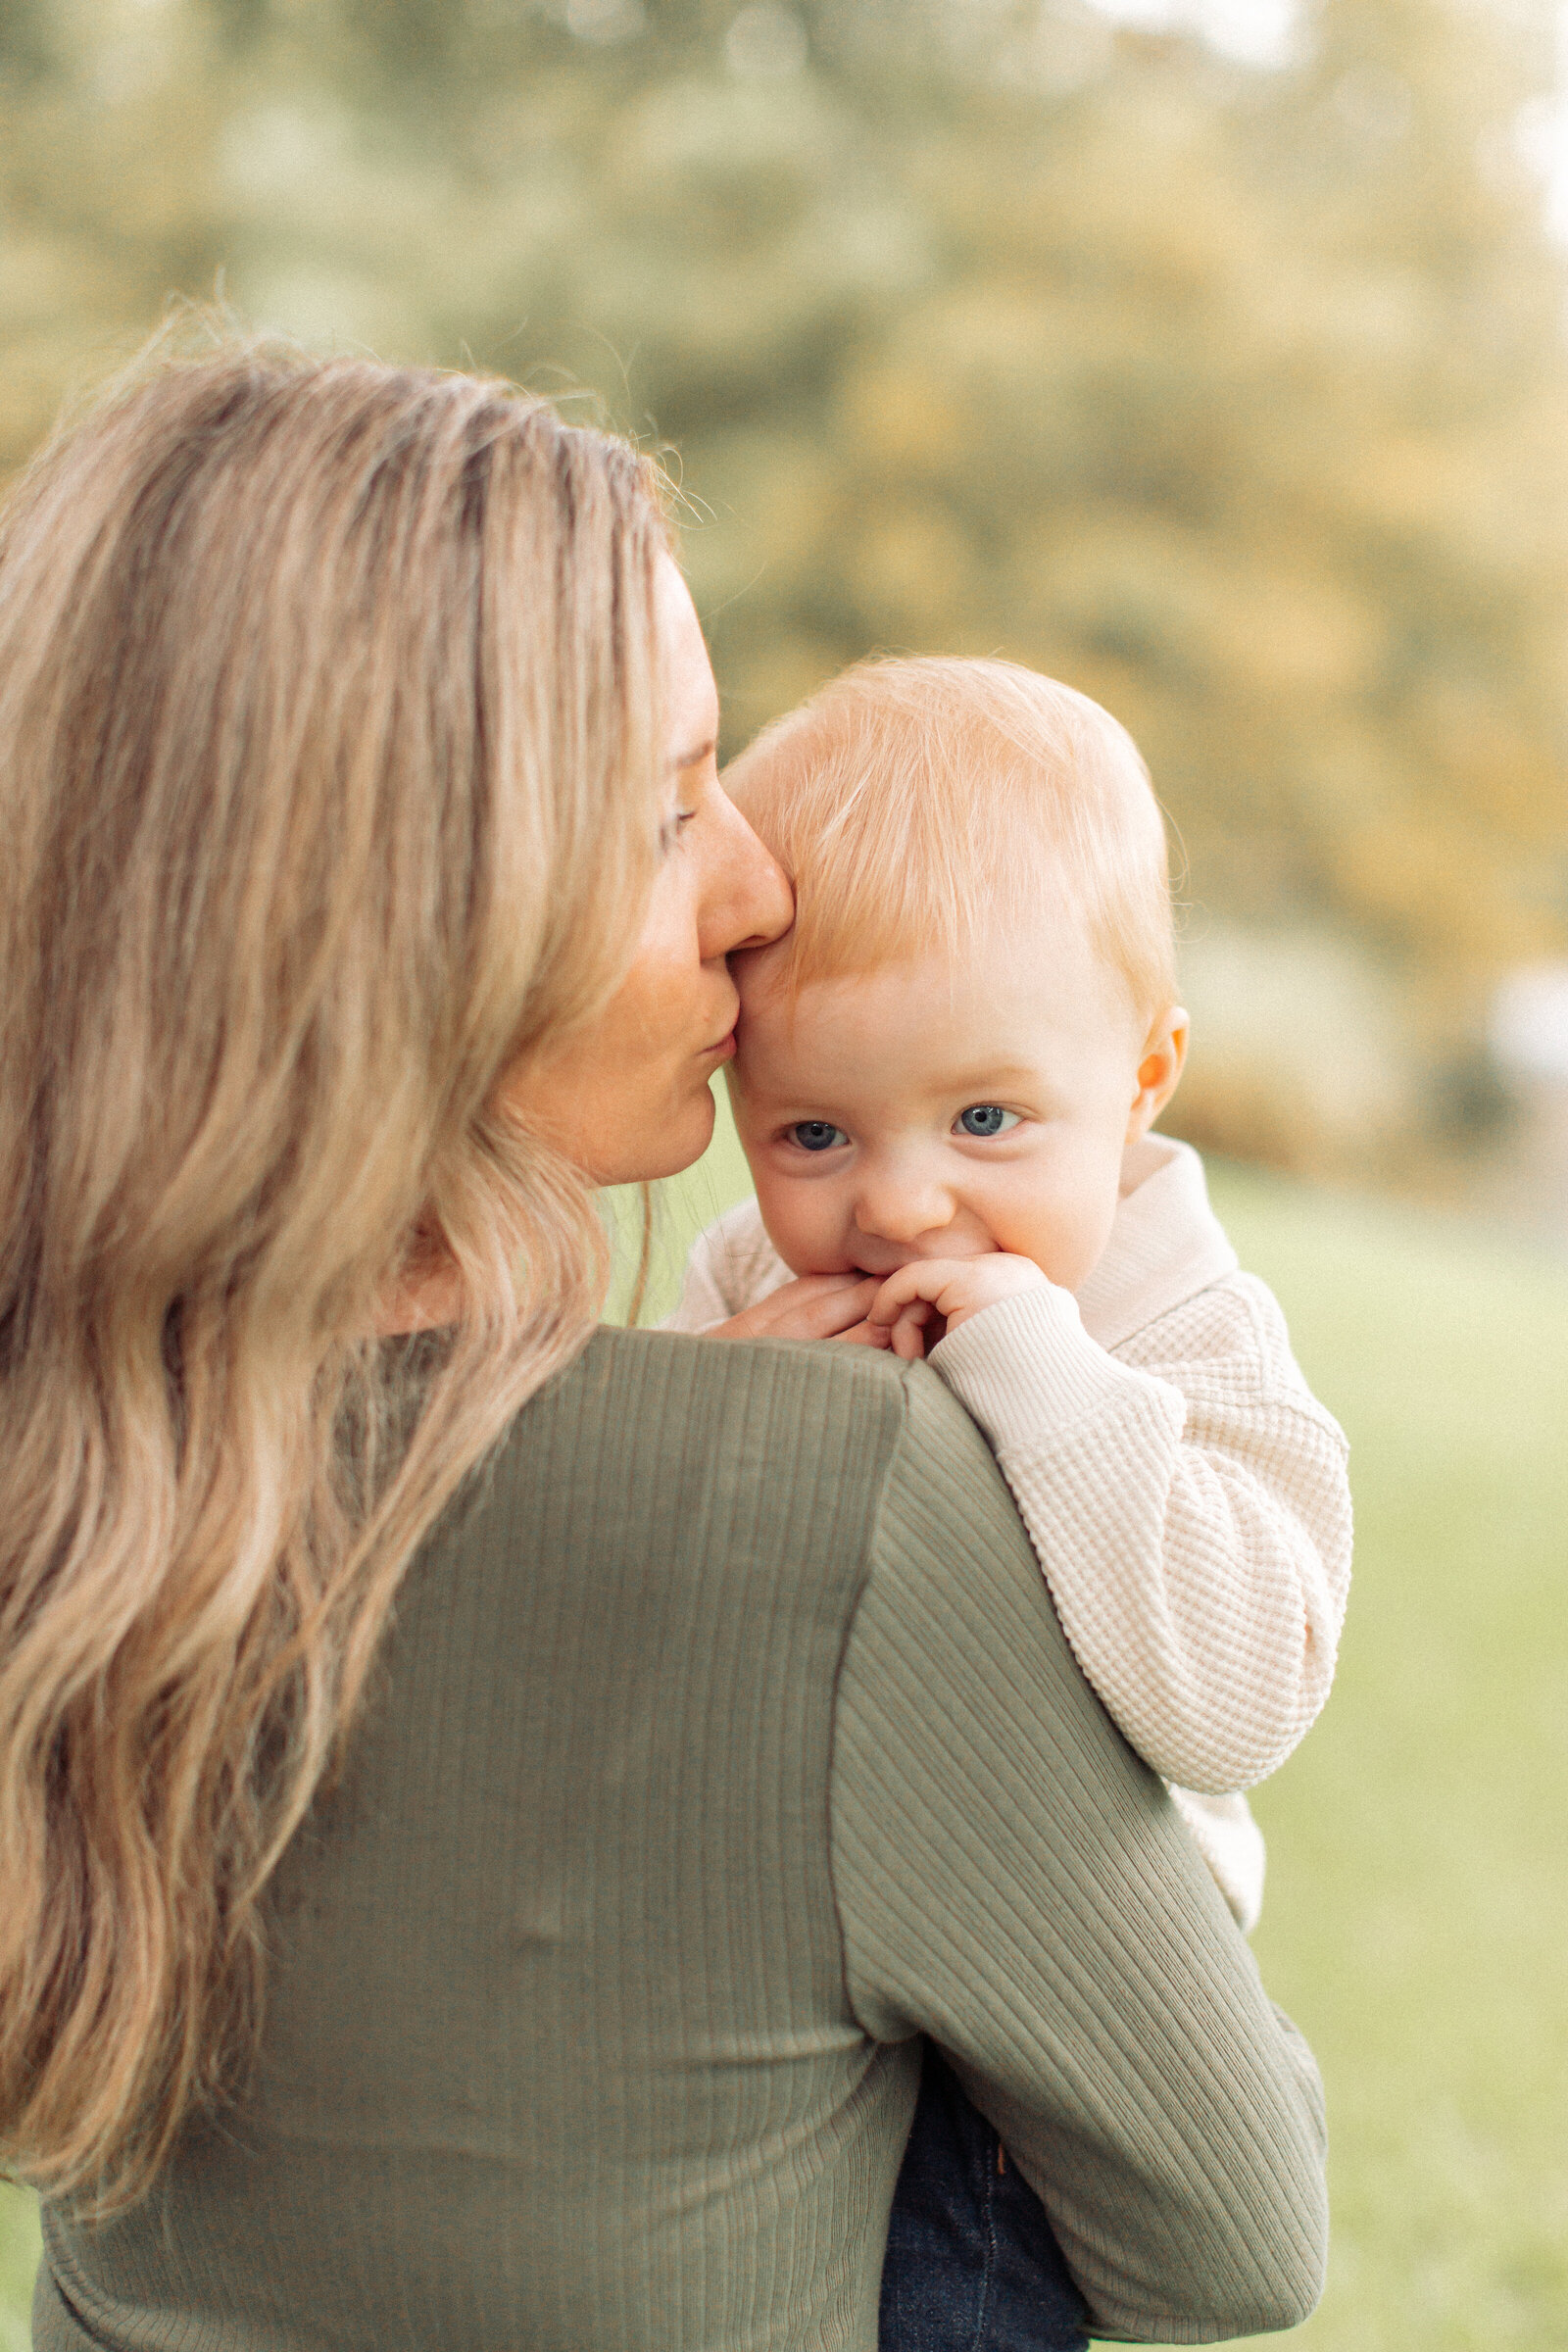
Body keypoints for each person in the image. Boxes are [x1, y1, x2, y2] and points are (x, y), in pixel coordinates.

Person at [0, 339, 1329, 2352]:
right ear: (416, 920)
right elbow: (1232, 2243)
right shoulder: (846, 1495)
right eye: (665, 812)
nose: (754, 892)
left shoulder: (80, 1473)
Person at [666, 655, 1352, 2346]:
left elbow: (1237, 1704)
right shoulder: (752, 1280)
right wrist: (716, 1410)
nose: (901, 1204)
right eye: (813, 1130)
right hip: (782, 1979)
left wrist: (1049, 1382)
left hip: (1034, 2047)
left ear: (1142, 1078)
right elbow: (643, 1612)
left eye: (986, 1116)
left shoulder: (1186, 1333)